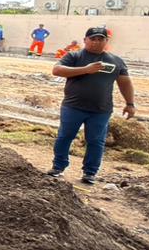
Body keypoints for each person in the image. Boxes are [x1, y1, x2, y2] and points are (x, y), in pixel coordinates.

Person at [47, 27, 136, 185]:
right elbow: (57, 70)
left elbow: (125, 83)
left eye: (100, 39)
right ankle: (58, 167)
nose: (96, 42)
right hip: (73, 107)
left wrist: (130, 104)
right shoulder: (75, 56)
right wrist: (85, 70)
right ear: (85, 40)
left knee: (96, 141)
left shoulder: (115, 61)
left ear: (106, 41)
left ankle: (90, 172)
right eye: (93, 39)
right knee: (65, 136)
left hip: (100, 110)